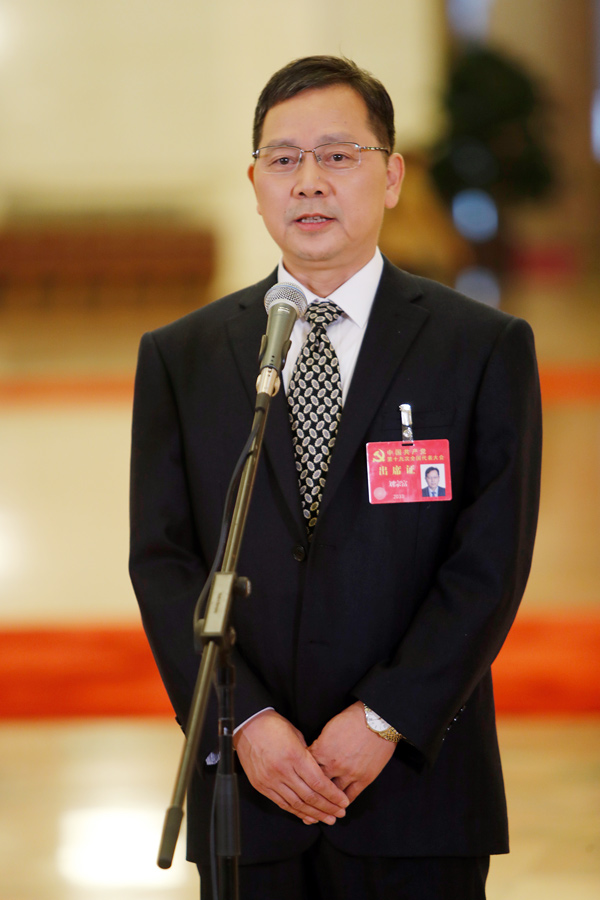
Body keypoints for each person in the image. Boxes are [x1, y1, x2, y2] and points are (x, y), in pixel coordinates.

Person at [129, 56, 542, 900]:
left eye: (338, 155)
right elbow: (165, 562)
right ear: (254, 184)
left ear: (391, 177)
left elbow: (489, 565)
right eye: (283, 159)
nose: (308, 181)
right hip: (249, 792)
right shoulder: (182, 357)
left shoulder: (480, 348)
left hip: (417, 787)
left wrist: (386, 717)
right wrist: (245, 722)